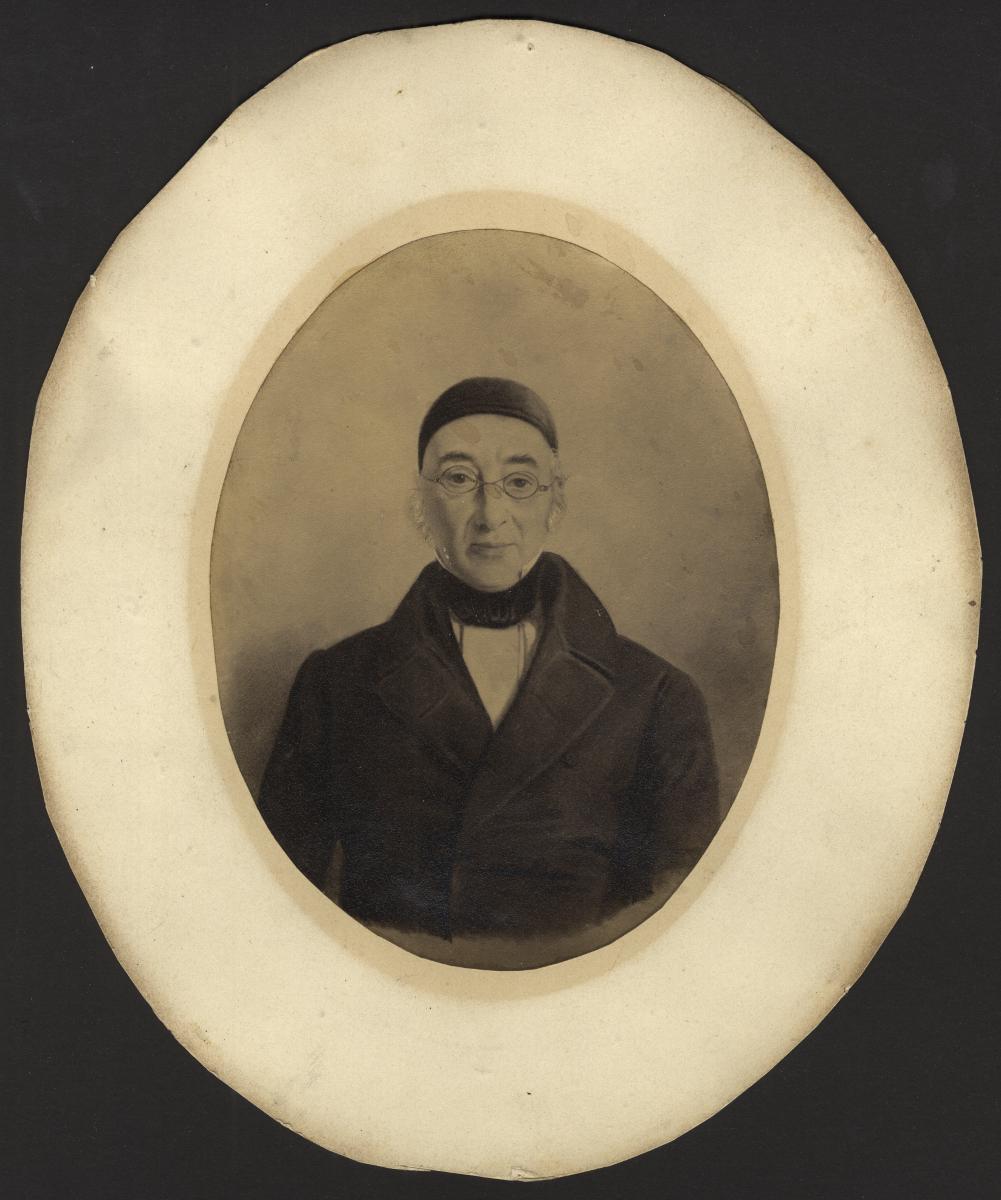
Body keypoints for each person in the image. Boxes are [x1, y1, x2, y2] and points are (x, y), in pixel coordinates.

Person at [257, 377, 719, 947]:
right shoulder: (335, 685)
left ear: (556, 500)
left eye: (519, 483)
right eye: (458, 479)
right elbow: (273, 907)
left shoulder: (656, 696)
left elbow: (680, 924)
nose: (490, 514)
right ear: (420, 501)